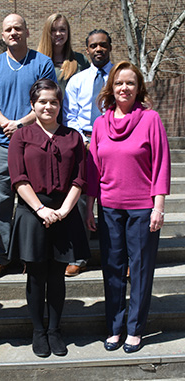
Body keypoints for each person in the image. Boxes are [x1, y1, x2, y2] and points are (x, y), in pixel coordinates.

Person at [86, 61, 170, 353]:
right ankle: (115, 327)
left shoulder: (151, 119)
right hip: (109, 209)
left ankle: (135, 328)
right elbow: (93, 169)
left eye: (130, 83)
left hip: (142, 209)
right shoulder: (100, 124)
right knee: (112, 269)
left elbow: (161, 165)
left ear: (139, 88)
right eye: (119, 83)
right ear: (111, 87)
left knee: (141, 269)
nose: (124, 88)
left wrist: (158, 206)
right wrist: (89, 206)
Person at [8, 78, 90, 357]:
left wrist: (64, 211)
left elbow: (80, 178)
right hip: (33, 211)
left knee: (57, 276)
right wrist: (42, 210)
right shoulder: (21, 136)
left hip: (65, 210)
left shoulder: (73, 137)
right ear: (33, 105)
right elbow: (18, 178)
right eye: (42, 101)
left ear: (60, 105)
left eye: (54, 101)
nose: (48, 106)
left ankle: (55, 330)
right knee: (35, 275)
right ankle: (38, 331)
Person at [0, 14, 56, 280]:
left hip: (33, 142)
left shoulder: (42, 63)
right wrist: (6, 124)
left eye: (18, 28)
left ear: (26, 31)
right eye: (8, 29)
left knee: (31, 200)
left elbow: (47, 101)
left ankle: (28, 255)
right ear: (3, 35)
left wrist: (21, 125)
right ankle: (0, 257)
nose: (13, 32)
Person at [62, 29, 113, 277]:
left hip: (115, 142)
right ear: (88, 49)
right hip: (84, 142)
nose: (98, 49)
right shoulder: (77, 80)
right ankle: (80, 256)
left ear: (110, 47)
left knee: (112, 199)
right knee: (81, 201)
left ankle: (116, 256)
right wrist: (82, 140)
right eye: (93, 46)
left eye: (103, 45)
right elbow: (69, 116)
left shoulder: (120, 77)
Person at [37, 13, 89, 96]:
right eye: (53, 30)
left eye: (62, 29)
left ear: (68, 32)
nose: (58, 33)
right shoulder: (37, 61)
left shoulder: (80, 60)